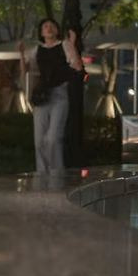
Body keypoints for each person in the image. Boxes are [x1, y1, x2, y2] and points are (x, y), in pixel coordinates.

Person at [31, 18, 83, 174]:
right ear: (41, 32)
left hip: (59, 93)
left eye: (52, 26)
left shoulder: (64, 45)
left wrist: (72, 44)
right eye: (45, 26)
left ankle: (56, 174)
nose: (48, 28)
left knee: (53, 138)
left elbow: (77, 66)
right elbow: (31, 71)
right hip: (42, 95)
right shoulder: (36, 50)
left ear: (57, 30)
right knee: (39, 140)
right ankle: (41, 174)